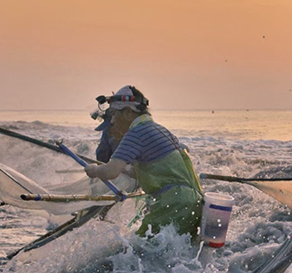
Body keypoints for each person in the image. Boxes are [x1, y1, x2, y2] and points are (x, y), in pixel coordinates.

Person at [84, 86, 204, 238]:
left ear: (128, 112)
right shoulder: (161, 130)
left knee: (136, 251)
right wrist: (126, 170)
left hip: (172, 205)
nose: (112, 121)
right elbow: (159, 170)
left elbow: (109, 172)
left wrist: (94, 170)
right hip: (194, 203)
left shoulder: (136, 133)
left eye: (114, 115)